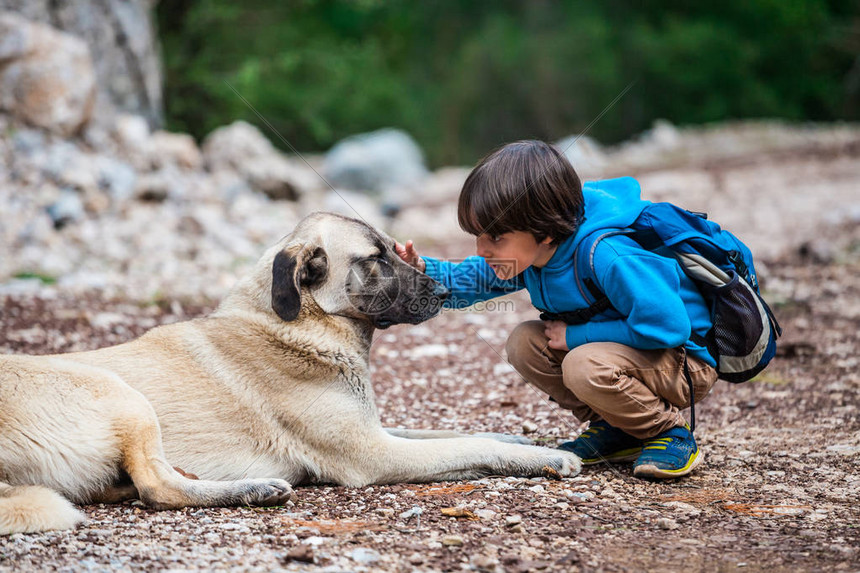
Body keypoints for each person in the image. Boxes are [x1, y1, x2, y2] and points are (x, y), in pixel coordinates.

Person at [395, 140, 718, 479]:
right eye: (478, 235)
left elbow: (668, 327)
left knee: (583, 364)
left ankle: (668, 433)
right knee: (525, 342)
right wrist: (423, 271)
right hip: (626, 357)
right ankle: (619, 427)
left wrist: (578, 336)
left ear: (545, 232)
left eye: (496, 238)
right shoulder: (534, 254)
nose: (482, 249)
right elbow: (470, 279)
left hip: (683, 363)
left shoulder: (608, 255)